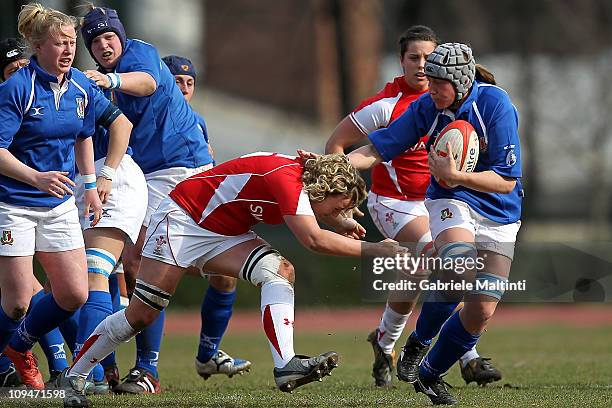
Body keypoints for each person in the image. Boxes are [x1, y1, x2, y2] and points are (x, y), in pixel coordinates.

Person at [59, 152, 405, 407]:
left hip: (223, 232)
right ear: (321, 191)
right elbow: (313, 239)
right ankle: (73, 377)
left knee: (280, 270)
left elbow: (316, 214)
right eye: (335, 207)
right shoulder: (288, 179)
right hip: (182, 221)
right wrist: (374, 249)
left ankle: (286, 365)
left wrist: (337, 218)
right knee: (141, 315)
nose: (336, 214)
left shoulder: (303, 178)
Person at [344, 43, 522, 405]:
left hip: (499, 210)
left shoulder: (495, 104)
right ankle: (419, 341)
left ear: (461, 81)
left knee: (482, 309)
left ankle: (430, 374)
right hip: (449, 200)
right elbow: (378, 149)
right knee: (458, 269)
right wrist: (333, 167)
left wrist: (456, 175)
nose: (431, 88)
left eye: (440, 82)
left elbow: (506, 181)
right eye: (431, 81)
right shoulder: (428, 106)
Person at [77, 5, 215, 394]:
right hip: (148, 175)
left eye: (109, 37)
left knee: (143, 263)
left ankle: (164, 364)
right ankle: (124, 368)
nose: (104, 45)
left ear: (120, 36)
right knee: (132, 265)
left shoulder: (137, 53)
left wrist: (111, 81)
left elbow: (148, 84)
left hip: (179, 166)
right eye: (95, 41)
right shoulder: (99, 82)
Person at [0, 3, 102, 390]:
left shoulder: (80, 86)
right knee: (16, 303)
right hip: (13, 206)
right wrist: (36, 178)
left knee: (75, 294)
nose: (68, 50)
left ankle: (18, 344)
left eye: (72, 42)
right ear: (38, 46)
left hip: (58, 206)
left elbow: (83, 136)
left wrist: (90, 187)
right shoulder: (18, 87)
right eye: (60, 43)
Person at [162, 54, 251, 379]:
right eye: (176, 81)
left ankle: (207, 355)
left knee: (225, 276)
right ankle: (119, 367)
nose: (184, 87)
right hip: (155, 213)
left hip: (191, 214)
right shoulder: (148, 114)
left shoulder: (197, 121)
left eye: (189, 82)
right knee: (130, 280)